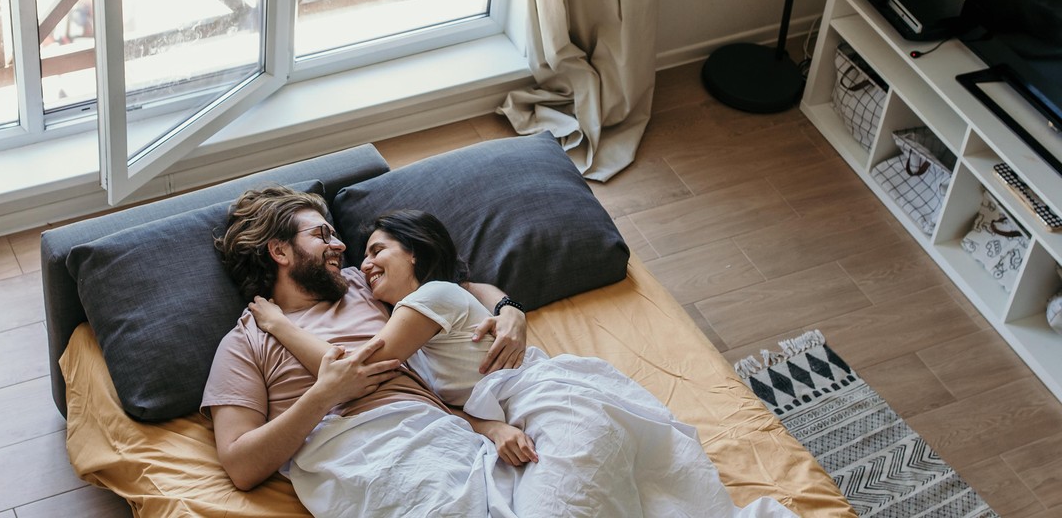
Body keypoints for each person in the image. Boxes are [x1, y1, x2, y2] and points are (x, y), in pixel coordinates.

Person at [248, 209, 799, 518]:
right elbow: (464, 319)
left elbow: (358, 367)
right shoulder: (421, 307)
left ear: (414, 252)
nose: (360, 264)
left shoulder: (425, 301)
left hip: (547, 401)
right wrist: (488, 423)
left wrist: (278, 325)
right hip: (510, 417)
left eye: (376, 251)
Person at [200, 185, 532, 515]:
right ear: (281, 252)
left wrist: (509, 310)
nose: (341, 245)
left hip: (449, 436)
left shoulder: (364, 284)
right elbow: (241, 465)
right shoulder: (245, 341)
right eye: (323, 235)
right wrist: (324, 394)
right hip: (363, 456)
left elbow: (459, 289)